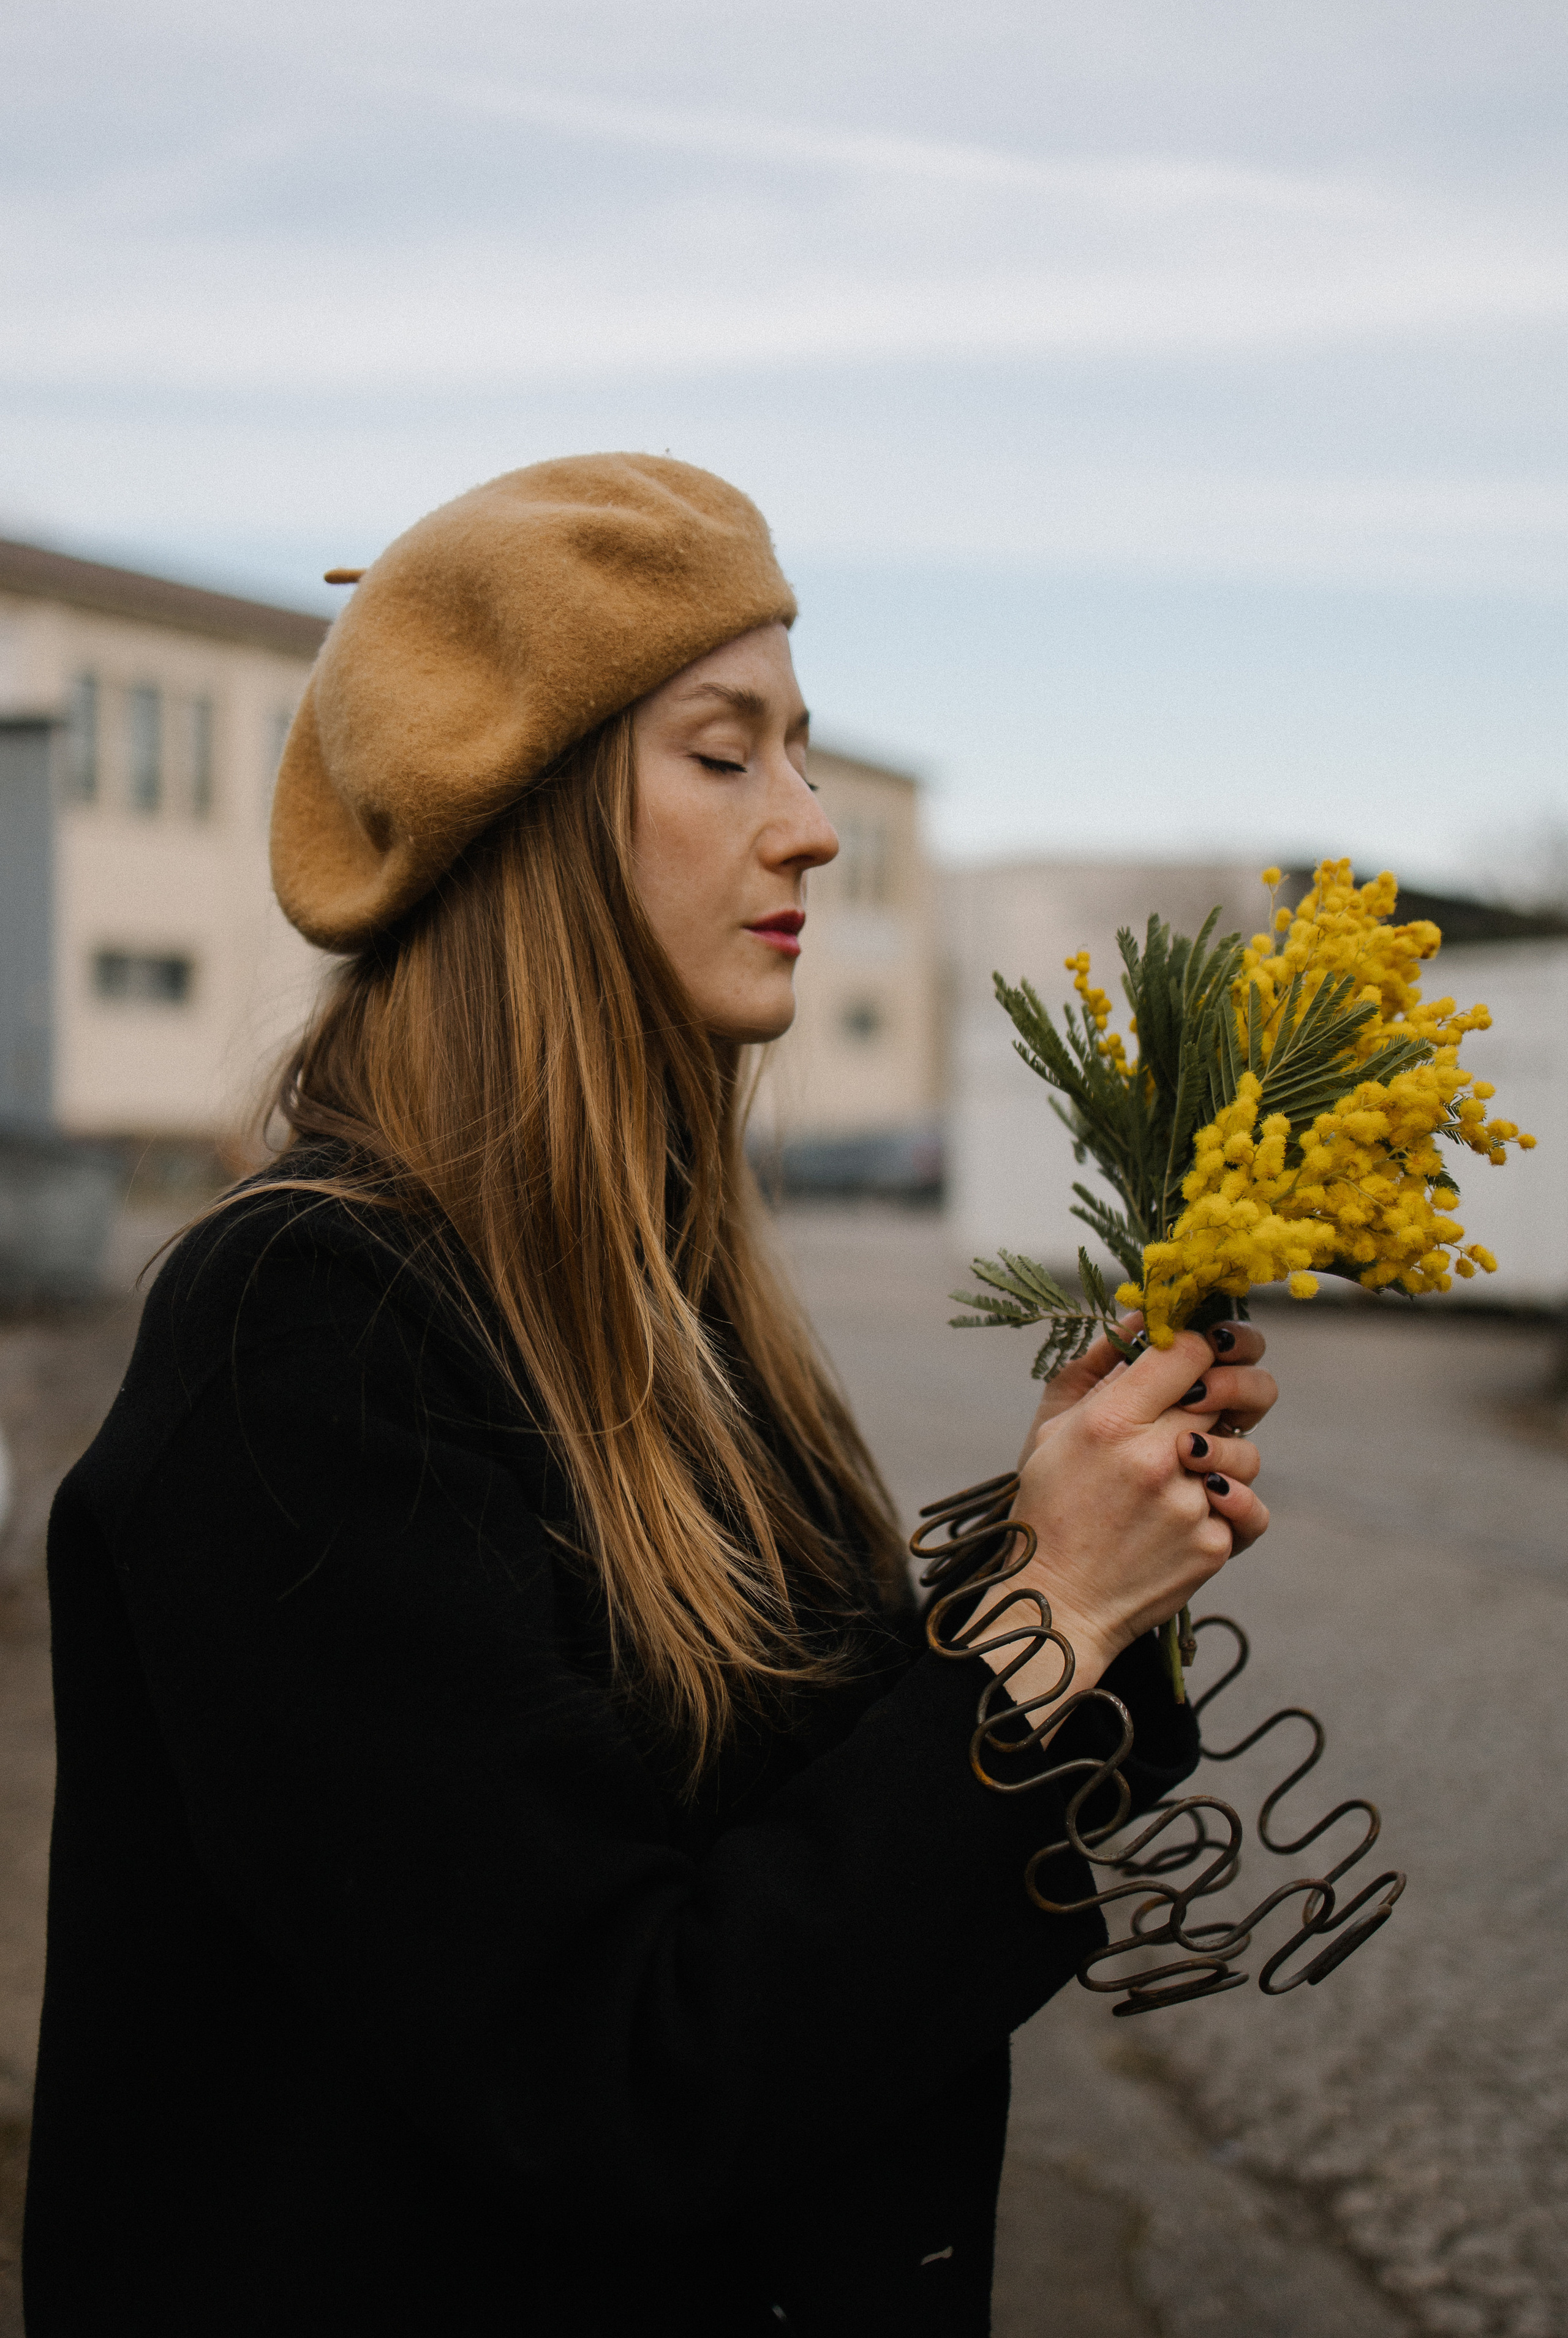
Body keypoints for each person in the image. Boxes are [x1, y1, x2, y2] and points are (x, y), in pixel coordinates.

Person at [23, 455, 1276, 2337]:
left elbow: (787, 1801)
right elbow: (614, 2074)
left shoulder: (662, 1299)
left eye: (807, 753)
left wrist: (1075, 1556)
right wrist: (1044, 1625)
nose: (812, 830)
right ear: (521, 815)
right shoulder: (307, 1330)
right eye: (725, 752)